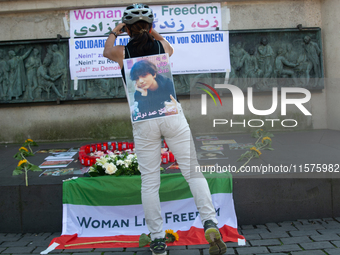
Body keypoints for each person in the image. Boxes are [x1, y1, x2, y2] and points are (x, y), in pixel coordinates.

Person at [103, 4, 227, 255]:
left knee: (150, 181)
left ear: (127, 28)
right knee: (193, 172)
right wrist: (153, 32)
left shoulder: (122, 51)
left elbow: (106, 51)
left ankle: (158, 238)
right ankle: (210, 222)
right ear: (150, 27)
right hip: (171, 115)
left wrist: (116, 32)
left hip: (144, 120)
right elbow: (167, 45)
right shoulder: (162, 48)